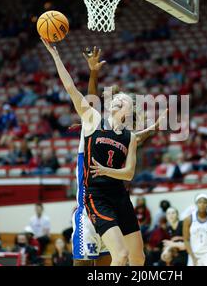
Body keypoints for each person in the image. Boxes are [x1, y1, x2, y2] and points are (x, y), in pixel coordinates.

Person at [43, 39, 151, 266]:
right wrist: (57, 56)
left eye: (121, 99)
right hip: (93, 199)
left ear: (129, 109)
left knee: (131, 258)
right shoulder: (93, 120)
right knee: (100, 260)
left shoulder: (128, 136)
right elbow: (74, 90)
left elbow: (134, 156)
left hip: (118, 199)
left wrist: (153, 128)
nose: (114, 99)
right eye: (115, 98)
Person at [71, 47, 162, 266]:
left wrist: (150, 130)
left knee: (117, 259)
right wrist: (93, 73)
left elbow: (133, 139)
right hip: (90, 203)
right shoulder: (93, 123)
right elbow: (90, 99)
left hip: (114, 201)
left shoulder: (123, 135)